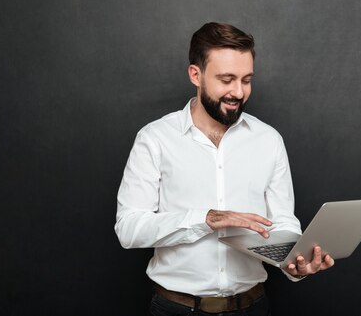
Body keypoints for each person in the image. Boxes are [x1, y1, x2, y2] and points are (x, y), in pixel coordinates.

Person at [115, 22, 334, 316]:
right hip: (176, 310)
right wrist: (206, 219)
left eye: (246, 80)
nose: (238, 92)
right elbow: (128, 229)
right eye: (227, 79)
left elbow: (282, 223)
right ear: (196, 74)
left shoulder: (268, 139)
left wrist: (296, 264)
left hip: (252, 308)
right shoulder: (155, 139)